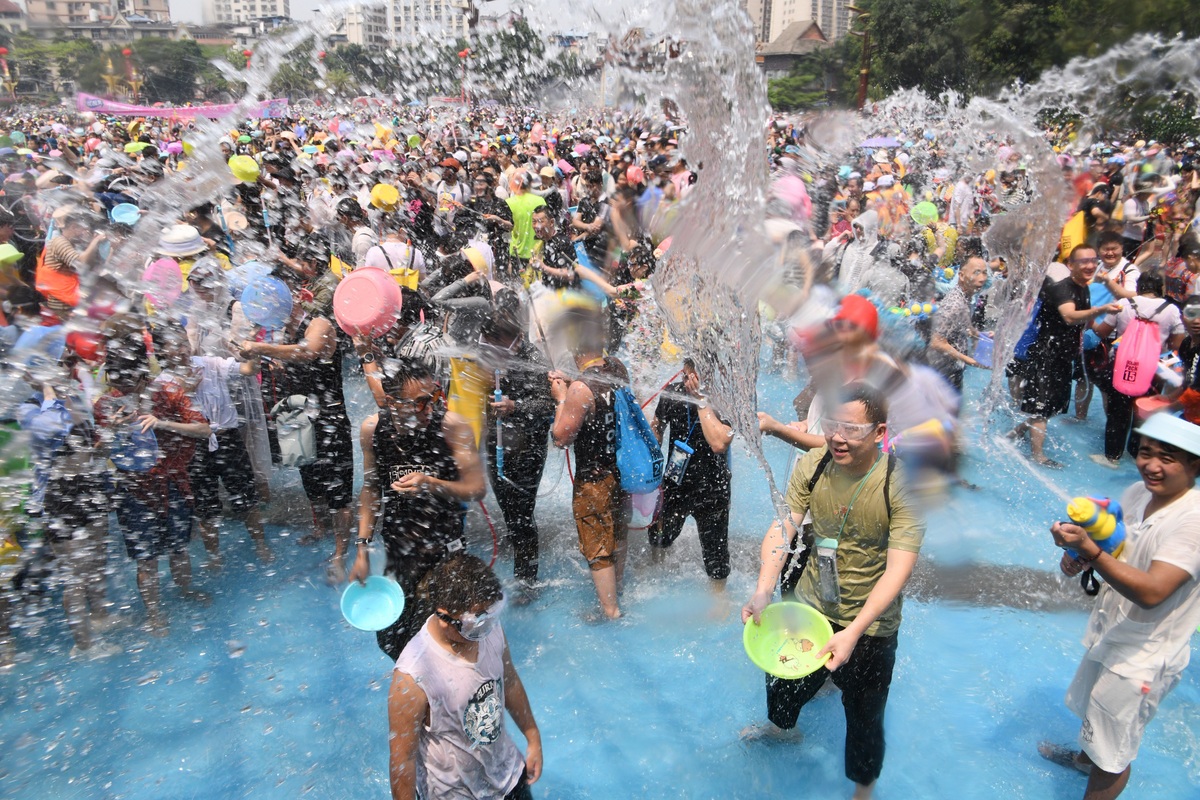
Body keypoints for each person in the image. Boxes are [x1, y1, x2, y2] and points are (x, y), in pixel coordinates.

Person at [741, 384, 924, 800]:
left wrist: (855, 630)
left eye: (852, 429)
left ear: (879, 432)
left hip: (870, 624)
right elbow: (784, 523)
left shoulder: (899, 483)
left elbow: (899, 568)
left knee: (863, 715)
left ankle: (863, 790)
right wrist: (764, 590)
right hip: (812, 605)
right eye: (833, 425)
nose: (838, 436)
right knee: (781, 682)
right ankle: (782, 729)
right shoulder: (814, 463)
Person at [1041, 412, 1200, 800]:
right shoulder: (1136, 494)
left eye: (1167, 458)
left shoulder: (1192, 521)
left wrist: (1090, 551)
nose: (1152, 465)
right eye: (1145, 453)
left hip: (1145, 654)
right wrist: (1074, 556)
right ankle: (1084, 758)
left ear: (1195, 465)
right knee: (1096, 712)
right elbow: (1113, 552)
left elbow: (1151, 591)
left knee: (1113, 753)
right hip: (1113, 632)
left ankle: (1096, 771)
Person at [350, 359, 486, 660]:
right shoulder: (372, 430)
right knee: (390, 641)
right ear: (392, 402)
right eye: (421, 402)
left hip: (444, 555)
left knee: (435, 647)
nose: (430, 409)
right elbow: (371, 488)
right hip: (399, 551)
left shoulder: (452, 427)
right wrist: (361, 549)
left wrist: (432, 484)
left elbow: (477, 488)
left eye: (434, 398)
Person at [388, 553, 541, 800]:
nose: (487, 626)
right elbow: (402, 759)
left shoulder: (487, 627)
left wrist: (532, 736)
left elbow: (509, 681)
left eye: (493, 613)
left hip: (508, 776)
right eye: (477, 621)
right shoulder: (412, 677)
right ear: (444, 617)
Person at [549, 310, 631, 619]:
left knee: (597, 546)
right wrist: (572, 386)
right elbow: (602, 399)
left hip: (593, 481)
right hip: (621, 472)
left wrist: (561, 397)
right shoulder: (618, 369)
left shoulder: (580, 390)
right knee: (618, 534)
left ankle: (610, 611)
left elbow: (561, 437)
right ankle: (617, 590)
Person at [1009, 246, 1121, 468]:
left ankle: (1017, 432)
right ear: (1071, 265)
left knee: (1052, 406)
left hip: (1062, 357)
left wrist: (1097, 333)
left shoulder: (1084, 289)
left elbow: (1082, 321)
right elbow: (1069, 316)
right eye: (1083, 261)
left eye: (1092, 260)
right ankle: (1038, 456)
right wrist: (1101, 310)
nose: (1089, 265)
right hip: (1045, 356)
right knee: (1041, 407)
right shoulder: (1063, 289)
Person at [481, 289, 554, 588]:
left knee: (523, 514)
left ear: (514, 338)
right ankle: (518, 544)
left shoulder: (534, 359)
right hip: (495, 445)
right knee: (507, 508)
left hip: (528, 448)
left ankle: (527, 581)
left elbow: (549, 405)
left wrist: (516, 407)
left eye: (497, 341)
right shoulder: (486, 358)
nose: (491, 347)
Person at [649, 357, 734, 590]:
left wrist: (700, 400)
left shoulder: (723, 400)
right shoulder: (672, 393)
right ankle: (654, 582)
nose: (688, 381)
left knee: (716, 558)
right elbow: (658, 425)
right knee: (659, 539)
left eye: (694, 376)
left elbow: (719, 443)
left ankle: (719, 602)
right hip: (675, 483)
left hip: (712, 490)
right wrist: (651, 452)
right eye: (686, 375)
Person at [1090, 272, 1184, 467]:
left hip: (1123, 366)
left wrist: (1091, 320)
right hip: (1153, 372)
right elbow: (1177, 345)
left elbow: (1102, 332)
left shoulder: (1124, 303)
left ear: (1140, 286)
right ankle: (1137, 454)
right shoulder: (1172, 310)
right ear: (1161, 288)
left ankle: (1112, 457)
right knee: (1144, 414)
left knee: (1118, 412)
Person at [927, 256, 990, 393]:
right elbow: (936, 342)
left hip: (952, 368)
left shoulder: (966, 297)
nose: (982, 278)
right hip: (943, 370)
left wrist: (982, 335)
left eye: (985, 273)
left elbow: (964, 327)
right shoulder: (955, 304)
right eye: (976, 272)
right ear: (961, 275)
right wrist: (969, 360)